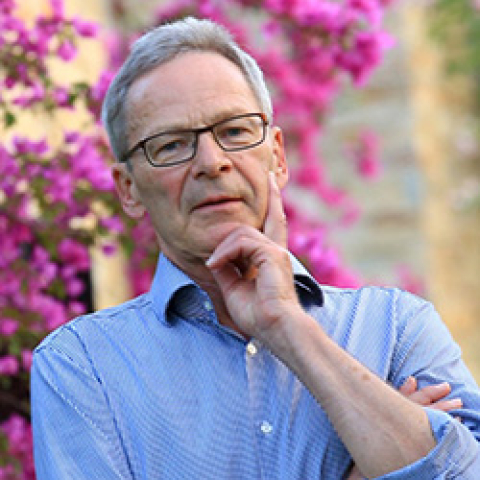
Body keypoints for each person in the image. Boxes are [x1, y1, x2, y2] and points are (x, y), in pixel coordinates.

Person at [31, 17, 480, 479]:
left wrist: (287, 324)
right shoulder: (80, 368)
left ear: (278, 157)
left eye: (234, 132)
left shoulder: (398, 329)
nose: (212, 163)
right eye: (171, 145)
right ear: (128, 189)